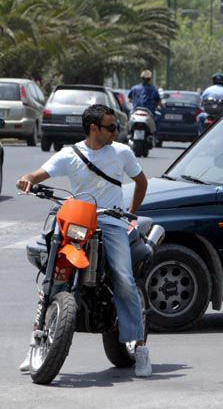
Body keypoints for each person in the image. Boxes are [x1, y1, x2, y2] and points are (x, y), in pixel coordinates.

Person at [16, 104, 152, 377]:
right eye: (111, 127)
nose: (116, 132)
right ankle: (36, 343)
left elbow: (141, 182)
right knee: (52, 277)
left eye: (116, 127)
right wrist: (27, 179)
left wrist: (131, 214)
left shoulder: (122, 153)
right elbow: (38, 174)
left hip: (111, 222)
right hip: (78, 220)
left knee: (124, 278)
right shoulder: (70, 154)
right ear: (94, 128)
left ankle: (139, 348)